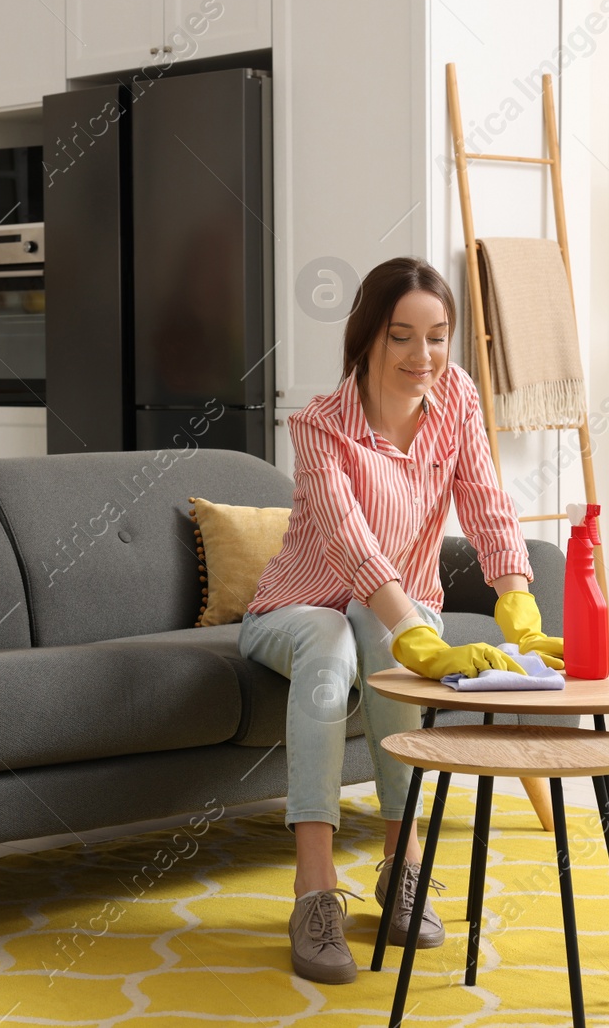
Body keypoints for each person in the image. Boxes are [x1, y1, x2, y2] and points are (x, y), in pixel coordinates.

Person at [239, 256, 566, 985]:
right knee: (336, 642)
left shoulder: (457, 400)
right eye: (402, 336)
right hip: (295, 605)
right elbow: (347, 538)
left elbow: (486, 500)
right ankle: (314, 889)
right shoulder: (321, 425)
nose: (423, 356)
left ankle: (401, 865)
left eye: (438, 336)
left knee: (379, 632)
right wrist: (412, 632)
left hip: (394, 605)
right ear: (368, 339)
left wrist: (518, 599)